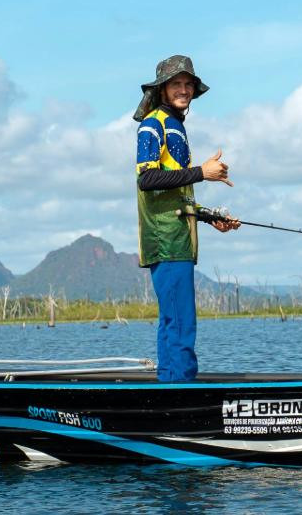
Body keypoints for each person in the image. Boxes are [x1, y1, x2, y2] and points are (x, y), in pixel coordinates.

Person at [132, 55, 239, 382]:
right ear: (162, 89)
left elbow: (176, 195)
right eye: (176, 84)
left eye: (187, 84)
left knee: (173, 321)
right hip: (166, 241)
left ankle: (170, 388)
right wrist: (201, 172)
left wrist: (211, 218)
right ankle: (182, 392)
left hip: (178, 239)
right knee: (180, 323)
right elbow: (146, 180)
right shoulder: (153, 124)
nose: (183, 90)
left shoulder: (176, 127)